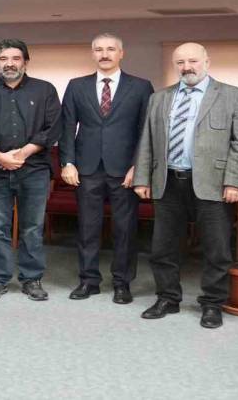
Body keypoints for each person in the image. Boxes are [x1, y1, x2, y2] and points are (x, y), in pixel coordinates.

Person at [133, 42, 238, 329]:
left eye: (193, 61)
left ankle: (212, 304)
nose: (187, 67)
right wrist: (142, 178)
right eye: (180, 62)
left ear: (207, 62)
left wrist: (234, 181)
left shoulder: (233, 96)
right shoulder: (160, 98)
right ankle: (167, 298)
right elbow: (147, 140)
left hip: (213, 183)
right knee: (163, 247)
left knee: (217, 248)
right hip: (168, 181)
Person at [60, 33, 153, 304]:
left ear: (121, 53)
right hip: (86, 168)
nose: (105, 54)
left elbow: (146, 131)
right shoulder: (76, 86)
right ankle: (88, 281)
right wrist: (68, 162)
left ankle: (122, 283)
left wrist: (139, 167)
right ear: (92, 54)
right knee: (87, 228)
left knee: (125, 230)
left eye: (111, 49)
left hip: (125, 170)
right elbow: (67, 127)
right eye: (99, 49)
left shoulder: (141, 86)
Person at [0, 39, 61, 301]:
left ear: (25, 62)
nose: (9, 63)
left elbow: (53, 127)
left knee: (32, 228)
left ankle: (32, 279)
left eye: (15, 58)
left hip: (34, 170)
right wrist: (0, 157)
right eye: (3, 59)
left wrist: (21, 154)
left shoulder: (45, 90)